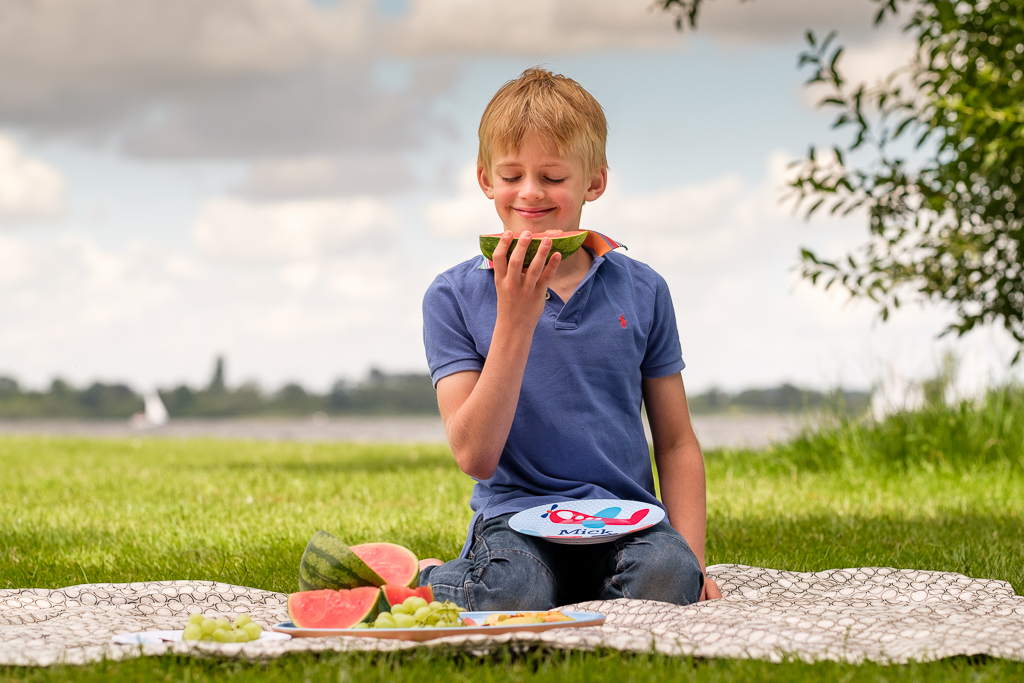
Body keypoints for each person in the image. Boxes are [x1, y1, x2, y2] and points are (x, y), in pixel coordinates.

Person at [419, 68, 722, 610]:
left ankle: (598, 585)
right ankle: (431, 578)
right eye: (511, 175)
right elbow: (475, 455)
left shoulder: (645, 289)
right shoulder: (451, 297)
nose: (530, 192)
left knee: (668, 576)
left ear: (594, 182)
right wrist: (515, 318)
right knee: (515, 589)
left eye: (553, 177)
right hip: (513, 522)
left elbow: (676, 442)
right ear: (486, 180)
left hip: (627, 520)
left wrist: (693, 561)